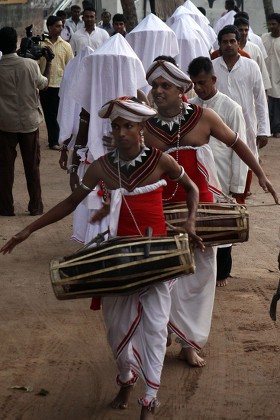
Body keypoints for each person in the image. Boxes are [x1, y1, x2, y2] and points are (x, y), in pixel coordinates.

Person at [0, 96, 203, 419]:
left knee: (154, 328)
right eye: (116, 126)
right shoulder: (101, 167)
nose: (121, 132)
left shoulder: (161, 161)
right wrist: (30, 230)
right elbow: (70, 203)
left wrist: (190, 221)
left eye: (128, 126)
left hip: (157, 257)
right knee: (116, 331)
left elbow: (191, 188)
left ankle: (149, 399)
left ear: (140, 129)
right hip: (117, 258)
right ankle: (126, 378)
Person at [143, 58, 278, 367]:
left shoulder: (205, 117)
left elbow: (237, 144)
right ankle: (163, 331)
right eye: (155, 86)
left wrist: (262, 175)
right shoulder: (144, 127)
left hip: (202, 209)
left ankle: (189, 343)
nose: (158, 91)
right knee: (163, 275)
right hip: (161, 210)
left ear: (182, 90)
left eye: (166, 86)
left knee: (201, 278)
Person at [188, 56, 247, 287]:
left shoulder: (231, 108)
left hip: (222, 175)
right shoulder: (190, 106)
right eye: (195, 83)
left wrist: (237, 186)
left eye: (203, 82)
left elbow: (240, 148)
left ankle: (222, 273)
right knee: (198, 219)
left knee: (221, 223)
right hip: (195, 177)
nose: (199, 88)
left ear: (213, 79)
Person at [212, 25, 270, 200]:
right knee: (219, 165)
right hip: (218, 126)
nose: (228, 45)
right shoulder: (212, 66)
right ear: (219, 45)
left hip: (246, 125)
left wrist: (263, 130)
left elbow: (260, 99)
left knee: (245, 163)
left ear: (239, 44)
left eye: (232, 41)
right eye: (225, 42)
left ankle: (239, 203)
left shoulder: (251, 66)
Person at [0, 27, 53, 216]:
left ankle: (5, 207)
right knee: (32, 166)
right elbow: (44, 84)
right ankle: (36, 206)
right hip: (29, 122)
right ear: (16, 43)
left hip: (5, 123)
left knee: (5, 168)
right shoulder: (30, 65)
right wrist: (49, 62)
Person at [39, 15, 73, 150]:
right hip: (45, 86)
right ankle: (53, 141)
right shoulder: (41, 45)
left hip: (61, 86)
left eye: (61, 26)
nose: (60, 29)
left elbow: (70, 67)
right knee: (49, 115)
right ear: (49, 28)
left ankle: (60, 139)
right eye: (57, 26)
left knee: (61, 113)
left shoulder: (66, 46)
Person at [233, 17, 271, 90]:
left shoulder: (255, 49)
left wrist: (265, 93)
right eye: (240, 30)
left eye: (246, 30)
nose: (244, 33)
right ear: (235, 30)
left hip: (251, 90)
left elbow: (262, 72)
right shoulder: (228, 49)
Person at [261, 13, 280, 138]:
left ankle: (277, 129)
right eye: (269, 24)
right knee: (265, 103)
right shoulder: (264, 38)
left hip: (278, 77)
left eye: (274, 24)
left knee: (277, 104)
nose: (271, 26)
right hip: (265, 76)